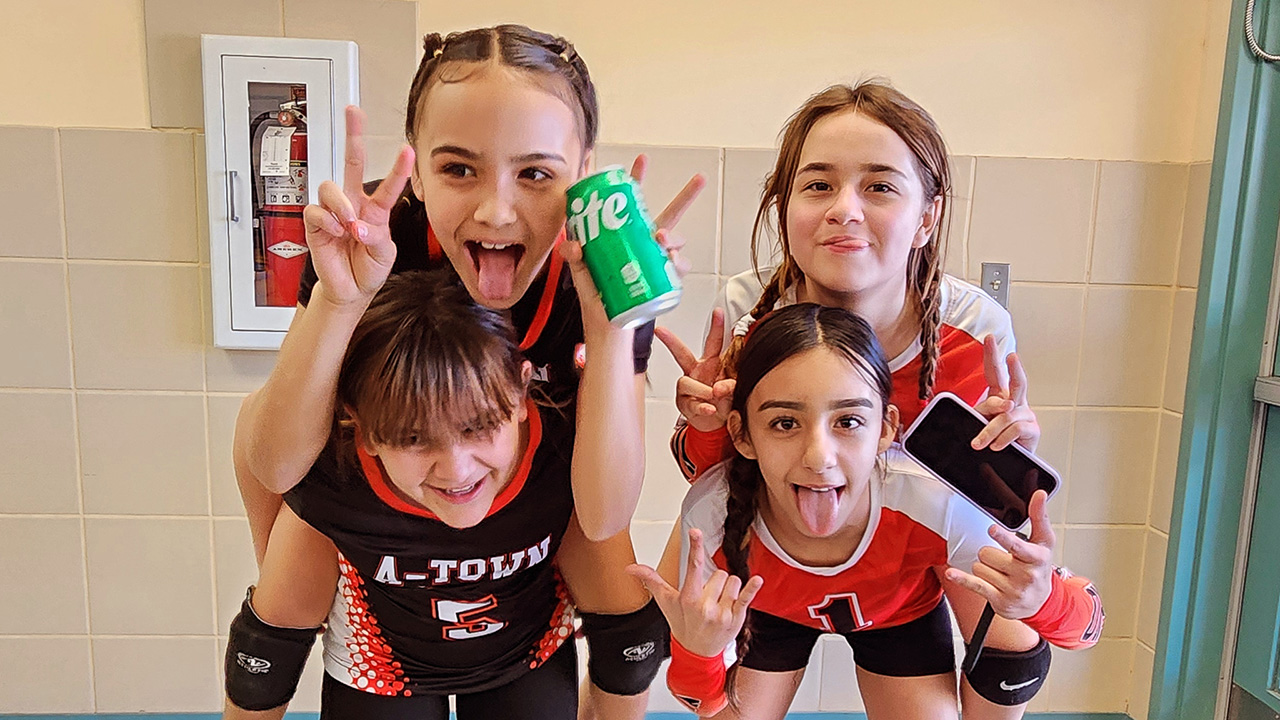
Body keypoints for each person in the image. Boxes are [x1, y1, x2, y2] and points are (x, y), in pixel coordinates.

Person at [226, 24, 703, 719]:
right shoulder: (371, 243)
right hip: (381, 558)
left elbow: (602, 515)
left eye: (536, 173)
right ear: (416, 169)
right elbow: (271, 462)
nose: (496, 208)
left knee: (623, 624)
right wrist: (336, 301)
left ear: (583, 170)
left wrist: (615, 330)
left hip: (521, 559)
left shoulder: (601, 278)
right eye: (458, 169)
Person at [661, 80, 1048, 717]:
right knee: (688, 641)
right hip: (778, 563)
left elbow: (996, 518)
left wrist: (1010, 458)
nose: (845, 208)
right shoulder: (745, 315)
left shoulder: (972, 332)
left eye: (879, 186)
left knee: (1015, 628)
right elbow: (719, 473)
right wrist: (707, 424)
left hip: (902, 574)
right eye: (818, 185)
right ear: (784, 206)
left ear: (927, 216)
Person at [633, 304, 1104, 719]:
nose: (819, 457)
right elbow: (700, 700)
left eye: (849, 421)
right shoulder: (712, 517)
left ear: (886, 429)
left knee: (1014, 640)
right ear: (741, 435)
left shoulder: (932, 504)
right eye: (784, 423)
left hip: (900, 618)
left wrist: (1044, 600)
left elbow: (1086, 628)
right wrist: (699, 652)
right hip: (766, 615)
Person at [232, 269, 620, 718]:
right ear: (366, 434)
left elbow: (630, 636)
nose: (456, 471)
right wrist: (269, 555)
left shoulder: (562, 445)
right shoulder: (336, 472)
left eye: (477, 427)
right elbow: (267, 649)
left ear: (519, 398)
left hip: (523, 651)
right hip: (380, 662)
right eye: (414, 439)